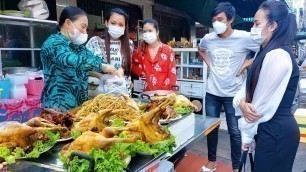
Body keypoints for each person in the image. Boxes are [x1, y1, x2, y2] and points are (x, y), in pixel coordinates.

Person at [233, 1, 300, 171]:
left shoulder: (278, 55)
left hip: (276, 133)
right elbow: (245, 91)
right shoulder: (263, 52)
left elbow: (257, 107)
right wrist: (241, 103)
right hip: (268, 130)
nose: (252, 28)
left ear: (272, 26)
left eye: (257, 23)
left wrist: (247, 135)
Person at [198, 2, 259, 172]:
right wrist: (210, 64)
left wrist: (247, 64)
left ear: (230, 19)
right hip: (212, 92)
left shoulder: (244, 37)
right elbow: (201, 49)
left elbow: (264, 49)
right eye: (214, 20)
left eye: (220, 19)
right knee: (211, 128)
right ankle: (211, 162)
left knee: (234, 131)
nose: (216, 23)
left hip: (234, 94)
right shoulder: (208, 38)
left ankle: (235, 168)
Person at [40, 6, 116, 110]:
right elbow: (72, 60)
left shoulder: (77, 47)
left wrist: (113, 69)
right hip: (57, 106)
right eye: (83, 26)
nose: (85, 32)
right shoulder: (53, 44)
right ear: (68, 23)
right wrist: (102, 67)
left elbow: (93, 59)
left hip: (78, 106)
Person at [86, 8, 133, 96]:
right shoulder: (94, 42)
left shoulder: (129, 44)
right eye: (113, 23)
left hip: (123, 94)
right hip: (100, 94)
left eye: (121, 24)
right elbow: (83, 65)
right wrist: (100, 75)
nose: (117, 27)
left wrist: (121, 70)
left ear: (125, 26)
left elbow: (127, 66)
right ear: (106, 23)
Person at [132, 18, 177, 91]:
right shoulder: (141, 50)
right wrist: (142, 73)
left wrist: (172, 93)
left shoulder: (168, 50)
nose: (147, 33)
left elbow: (172, 74)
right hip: (148, 93)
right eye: (144, 31)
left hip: (165, 94)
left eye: (150, 31)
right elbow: (133, 63)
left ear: (157, 32)